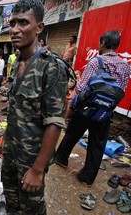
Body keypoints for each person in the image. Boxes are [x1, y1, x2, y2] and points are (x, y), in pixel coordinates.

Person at [0, 0, 68, 214]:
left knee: (32, 208)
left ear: (39, 28)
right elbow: (15, 108)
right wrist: (4, 138)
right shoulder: (17, 62)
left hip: (31, 159)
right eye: (12, 23)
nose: (15, 30)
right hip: (11, 152)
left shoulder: (52, 67)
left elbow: (55, 123)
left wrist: (38, 170)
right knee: (11, 203)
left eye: (23, 23)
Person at [55, 31, 131, 187]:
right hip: (105, 113)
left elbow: (81, 87)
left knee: (71, 134)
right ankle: (87, 179)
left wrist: (72, 106)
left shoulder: (97, 62)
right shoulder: (125, 66)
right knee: (97, 145)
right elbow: (121, 91)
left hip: (86, 109)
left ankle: (61, 160)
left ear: (103, 43)